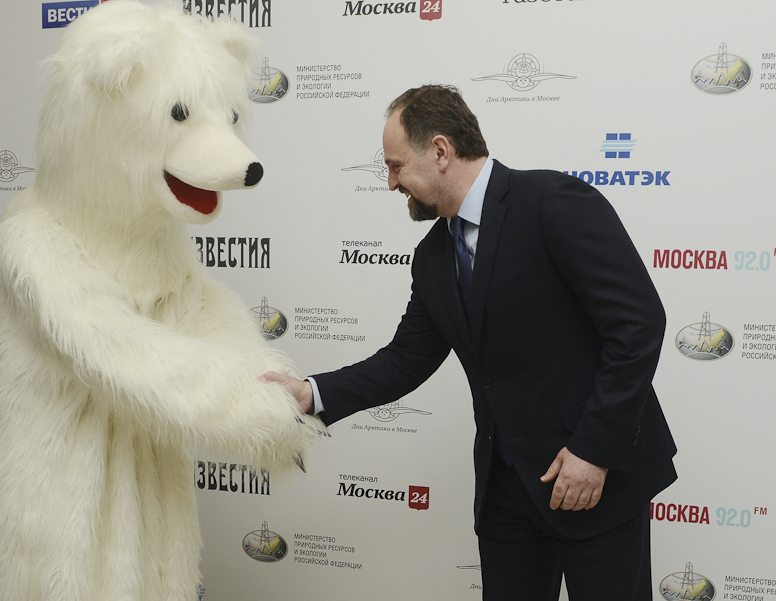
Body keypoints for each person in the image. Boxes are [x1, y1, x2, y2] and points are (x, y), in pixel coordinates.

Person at [261, 84, 676, 601]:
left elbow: (638, 325)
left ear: (439, 151)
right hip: (507, 495)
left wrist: (593, 451)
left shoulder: (554, 202)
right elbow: (406, 359)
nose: (390, 183)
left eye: (395, 166)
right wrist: (310, 393)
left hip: (595, 478)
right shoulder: (434, 255)